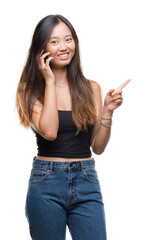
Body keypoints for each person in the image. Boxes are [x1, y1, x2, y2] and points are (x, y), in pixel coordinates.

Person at [15, 14, 124, 240]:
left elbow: (98, 147)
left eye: (68, 39)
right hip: (46, 182)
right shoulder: (29, 90)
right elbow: (50, 132)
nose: (64, 47)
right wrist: (50, 81)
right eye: (54, 42)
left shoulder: (91, 88)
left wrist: (107, 111)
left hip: (87, 179)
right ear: (41, 47)